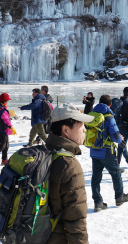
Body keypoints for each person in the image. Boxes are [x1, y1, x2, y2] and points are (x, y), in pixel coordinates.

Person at [45, 104, 91, 244]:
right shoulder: (68, 164)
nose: (84, 129)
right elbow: (76, 220)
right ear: (65, 130)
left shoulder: (44, 152)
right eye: (81, 125)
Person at [89, 95, 128, 212]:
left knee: (96, 177)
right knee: (116, 173)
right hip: (106, 152)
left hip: (93, 151)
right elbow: (116, 136)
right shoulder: (108, 117)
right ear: (110, 105)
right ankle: (119, 197)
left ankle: (98, 202)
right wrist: (120, 138)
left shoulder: (92, 115)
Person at [116, 87, 128, 168]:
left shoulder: (118, 102)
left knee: (122, 145)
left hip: (117, 126)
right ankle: (117, 165)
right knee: (121, 146)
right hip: (125, 128)